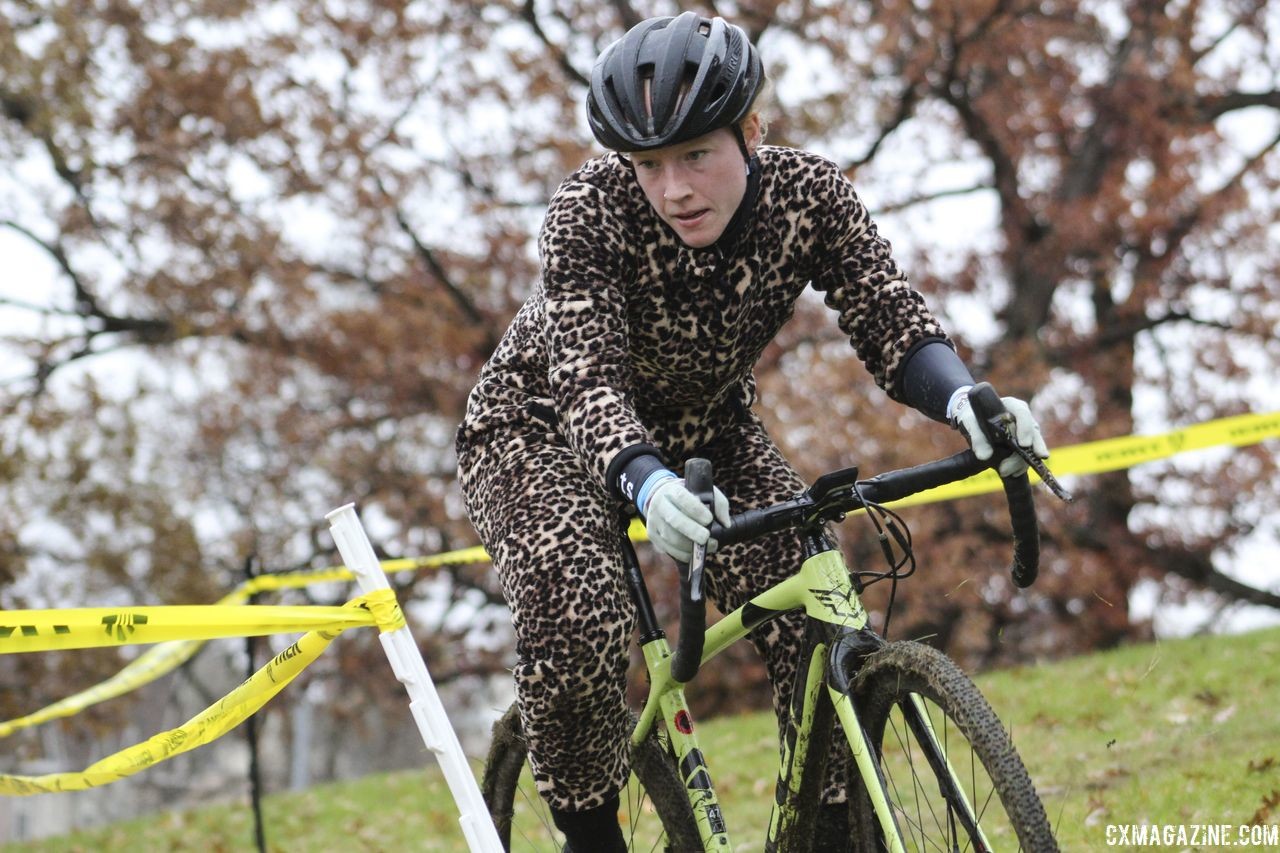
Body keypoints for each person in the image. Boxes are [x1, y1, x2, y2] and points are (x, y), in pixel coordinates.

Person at [455, 11, 1050, 851]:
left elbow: (888, 316)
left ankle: (829, 831)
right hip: (538, 431)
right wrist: (647, 481)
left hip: (707, 429)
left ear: (753, 132)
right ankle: (590, 836)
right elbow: (587, 382)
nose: (674, 189)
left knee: (816, 603)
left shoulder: (811, 197)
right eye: (650, 165)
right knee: (578, 621)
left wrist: (965, 401)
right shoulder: (588, 212)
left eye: (696, 155)